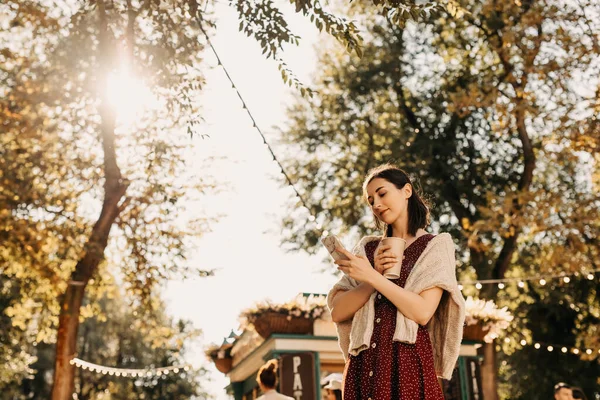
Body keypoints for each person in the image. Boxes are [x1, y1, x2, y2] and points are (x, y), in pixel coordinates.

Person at [327, 164, 466, 400]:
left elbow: (422, 312)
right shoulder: (366, 248)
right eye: (371, 200)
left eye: (382, 194)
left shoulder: (435, 245)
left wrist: (371, 275)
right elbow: (337, 311)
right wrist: (372, 279)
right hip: (363, 364)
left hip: (406, 362)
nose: (377, 204)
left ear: (407, 191)